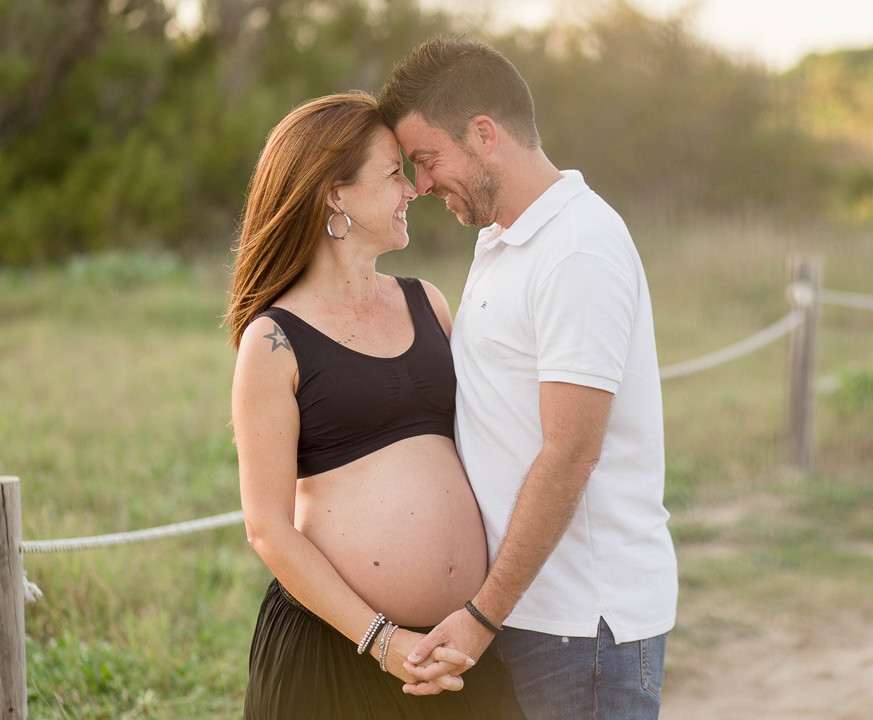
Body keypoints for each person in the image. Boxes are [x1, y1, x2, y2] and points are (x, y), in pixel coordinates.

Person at [379, 36, 679, 720]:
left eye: (426, 160)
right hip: (531, 611)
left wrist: (482, 614)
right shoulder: (504, 239)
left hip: (582, 629)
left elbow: (570, 452)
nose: (421, 185)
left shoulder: (577, 247)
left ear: (484, 134)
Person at [225, 91, 523, 720]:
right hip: (341, 660)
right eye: (393, 173)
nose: (413, 189)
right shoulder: (273, 342)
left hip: (457, 649)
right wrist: (382, 642)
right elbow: (268, 528)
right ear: (336, 193)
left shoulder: (429, 304)